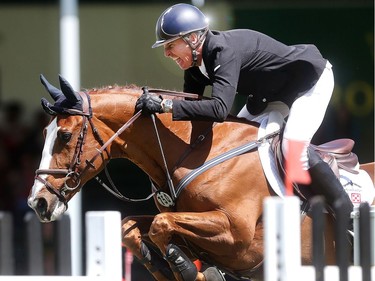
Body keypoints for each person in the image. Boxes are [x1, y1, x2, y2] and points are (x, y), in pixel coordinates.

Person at [136, 3, 353, 229]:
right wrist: (157, 109)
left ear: (192, 39)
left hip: (308, 83)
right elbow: (191, 109)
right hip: (269, 96)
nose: (166, 53)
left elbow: (219, 109)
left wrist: (165, 105)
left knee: (292, 148)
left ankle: (350, 217)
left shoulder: (222, 51)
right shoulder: (193, 67)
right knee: (232, 146)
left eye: (170, 45)